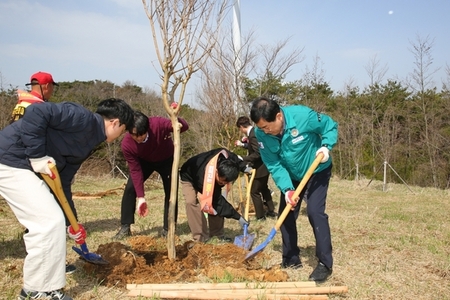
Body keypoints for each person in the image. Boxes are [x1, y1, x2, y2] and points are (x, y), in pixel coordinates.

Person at [0, 98, 134, 300]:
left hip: (20, 164)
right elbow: (37, 112)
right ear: (115, 123)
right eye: (123, 130)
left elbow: (63, 183)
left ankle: (41, 288)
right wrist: (37, 156)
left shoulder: (91, 141)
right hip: (10, 158)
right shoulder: (82, 118)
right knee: (48, 223)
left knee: (56, 221)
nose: (120, 136)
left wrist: (73, 221)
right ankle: (37, 291)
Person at [250, 97, 338, 282]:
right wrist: (287, 189)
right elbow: (273, 163)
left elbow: (329, 125)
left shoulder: (303, 116)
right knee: (286, 213)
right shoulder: (261, 133)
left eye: (267, 127)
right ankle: (291, 258)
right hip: (292, 176)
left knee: (315, 212)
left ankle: (324, 264)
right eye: (261, 128)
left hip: (317, 170)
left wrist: (326, 146)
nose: (264, 131)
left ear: (279, 116)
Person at [113, 110, 189, 240]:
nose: (138, 138)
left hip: (167, 160)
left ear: (148, 128)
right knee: (130, 189)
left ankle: (168, 228)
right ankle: (125, 227)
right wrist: (141, 197)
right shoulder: (127, 144)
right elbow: (135, 171)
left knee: (171, 193)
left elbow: (184, 127)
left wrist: (176, 118)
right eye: (134, 135)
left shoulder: (158, 124)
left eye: (141, 135)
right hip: (144, 161)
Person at [179, 148, 250, 243]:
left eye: (226, 181)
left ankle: (217, 234)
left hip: (204, 174)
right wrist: (238, 217)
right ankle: (200, 237)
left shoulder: (225, 156)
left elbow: (234, 158)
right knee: (191, 202)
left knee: (215, 204)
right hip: (189, 175)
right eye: (222, 180)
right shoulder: (203, 177)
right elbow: (218, 203)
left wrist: (244, 167)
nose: (224, 183)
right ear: (216, 171)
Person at [235, 116, 276, 220]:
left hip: (260, 168)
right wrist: (243, 144)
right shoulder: (254, 132)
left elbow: (257, 153)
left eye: (239, 129)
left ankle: (261, 216)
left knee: (254, 192)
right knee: (264, 188)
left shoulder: (252, 135)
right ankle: (271, 210)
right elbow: (253, 148)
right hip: (264, 166)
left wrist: (243, 158)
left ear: (241, 127)